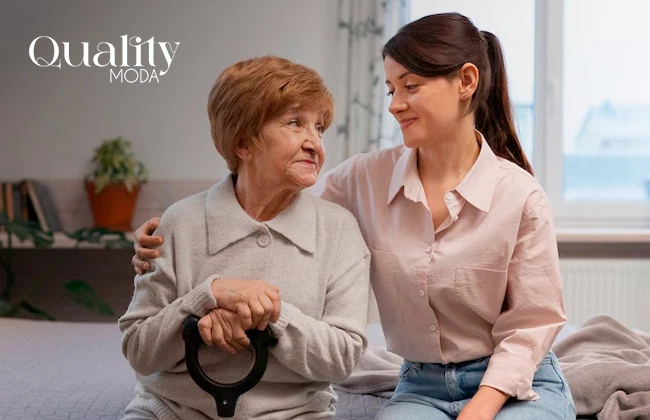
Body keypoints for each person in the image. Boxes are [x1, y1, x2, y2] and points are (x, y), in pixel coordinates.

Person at [131, 13, 576, 420]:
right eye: (390, 89)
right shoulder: (363, 180)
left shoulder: (521, 195)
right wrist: (166, 236)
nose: (394, 104)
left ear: (466, 81)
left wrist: (480, 408)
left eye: (411, 86)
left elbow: (533, 323)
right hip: (421, 383)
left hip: (518, 383)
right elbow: (269, 205)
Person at [119, 55, 371, 420]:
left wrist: (271, 314)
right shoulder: (180, 221)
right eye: (295, 123)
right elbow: (139, 350)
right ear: (242, 144)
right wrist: (208, 296)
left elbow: (343, 360)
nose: (314, 143)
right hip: (173, 410)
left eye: (319, 128)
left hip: (296, 414)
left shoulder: (339, 229)